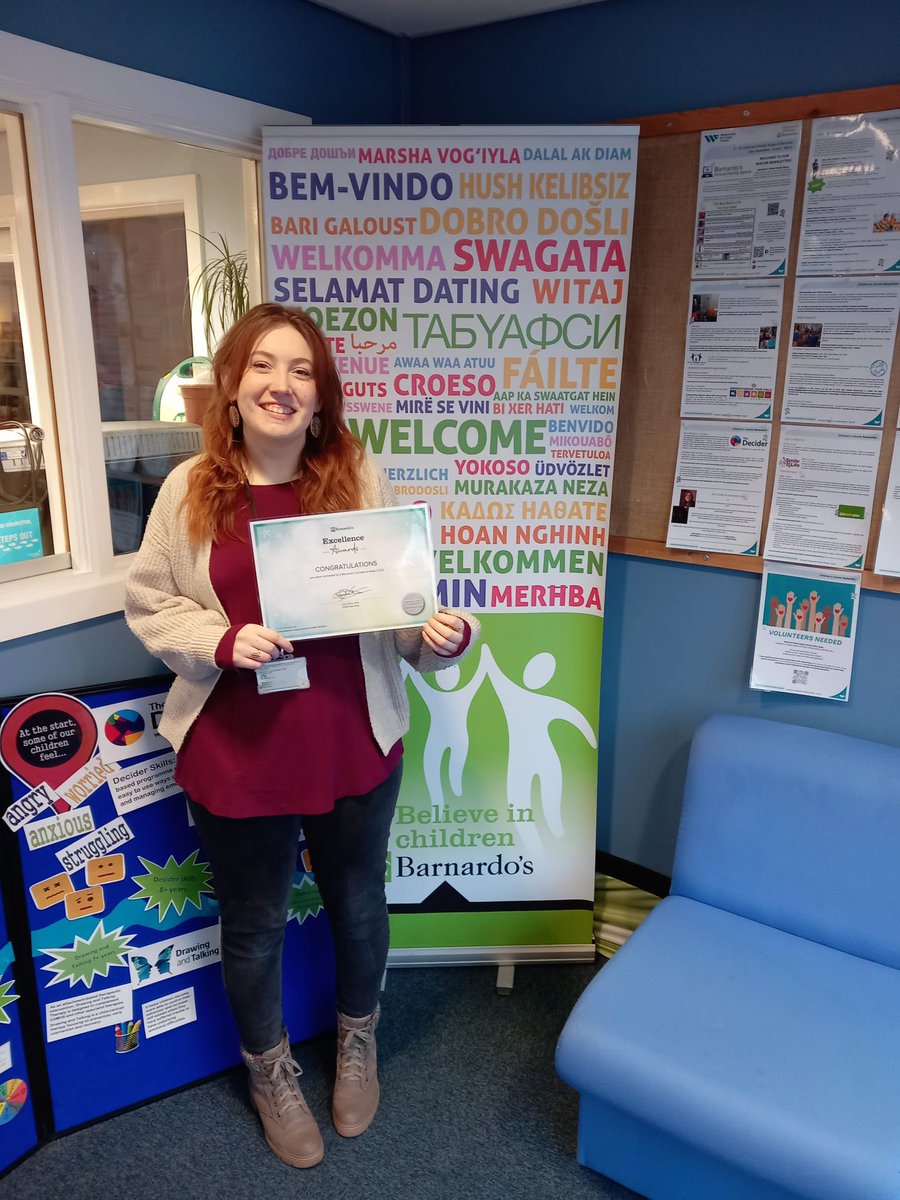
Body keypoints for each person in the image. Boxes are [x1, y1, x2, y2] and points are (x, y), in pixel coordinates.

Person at [124, 303, 479, 1169]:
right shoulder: (189, 489)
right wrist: (217, 638)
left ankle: (356, 1040)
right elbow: (147, 600)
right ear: (234, 390)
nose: (281, 385)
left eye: (302, 371)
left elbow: (397, 611)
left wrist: (432, 636)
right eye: (263, 368)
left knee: (359, 902)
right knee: (253, 924)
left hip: (350, 735)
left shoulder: (358, 475)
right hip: (239, 745)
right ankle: (270, 1069)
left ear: (321, 399)